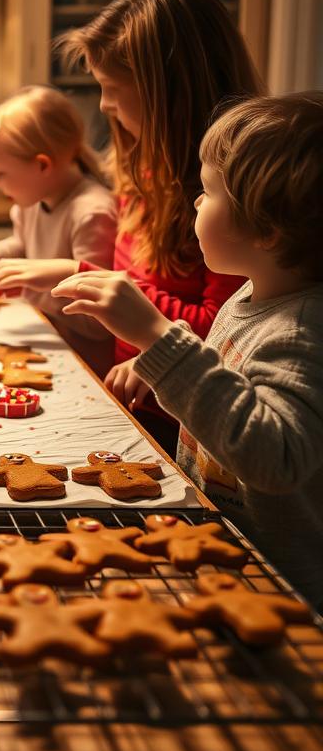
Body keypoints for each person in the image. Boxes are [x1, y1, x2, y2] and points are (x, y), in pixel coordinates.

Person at [52, 93, 323, 607]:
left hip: (284, 590)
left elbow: (275, 457)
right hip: (225, 558)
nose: (196, 203)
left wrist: (157, 336)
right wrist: (152, 362)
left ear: (266, 228)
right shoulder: (248, 297)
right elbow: (231, 385)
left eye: (208, 191)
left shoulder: (304, 330)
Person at [0, 0, 264, 451]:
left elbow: (225, 332)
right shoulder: (144, 168)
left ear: (165, 88)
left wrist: (87, 276)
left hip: (179, 431)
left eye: (111, 88)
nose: (104, 104)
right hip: (125, 411)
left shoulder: (226, 196)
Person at [0, 86, 116, 373]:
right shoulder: (30, 203)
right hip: (47, 349)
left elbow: (97, 323)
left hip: (84, 368)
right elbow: (24, 245)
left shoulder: (91, 213)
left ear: (42, 165)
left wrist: (29, 286)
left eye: (1, 173)